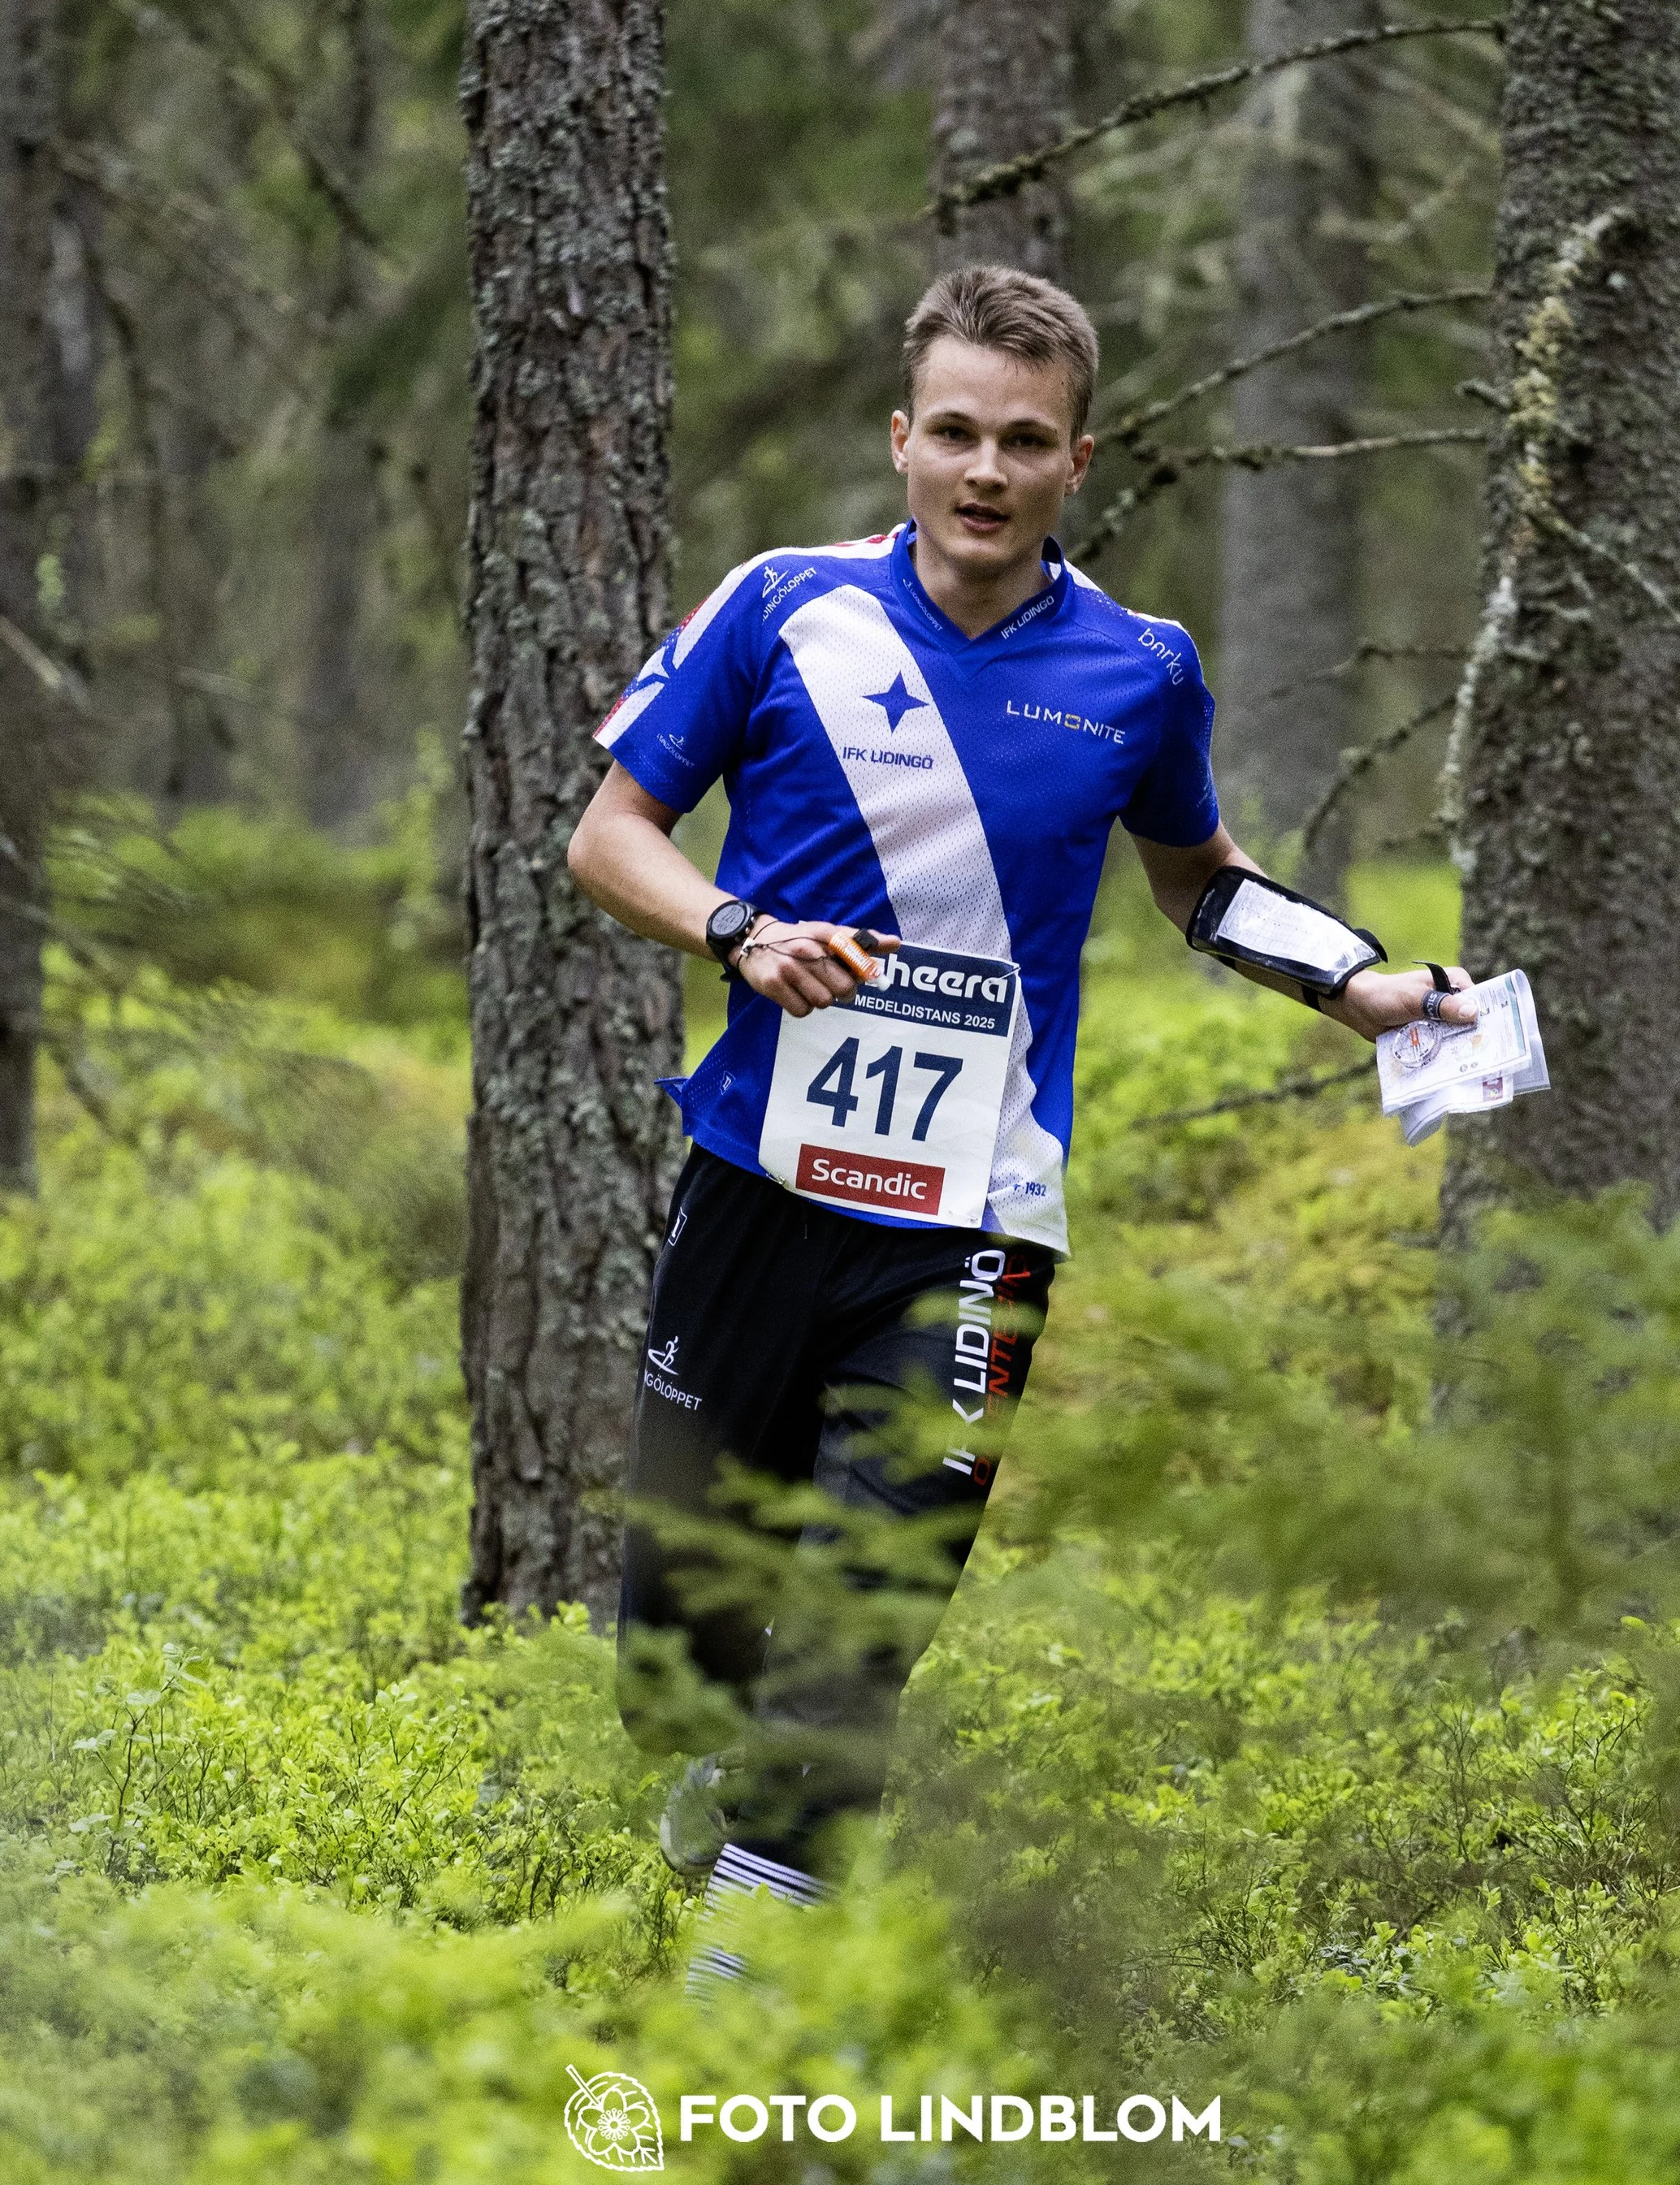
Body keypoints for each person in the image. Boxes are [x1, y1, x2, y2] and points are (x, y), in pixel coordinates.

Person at [568, 264, 1473, 1926]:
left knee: (865, 1612)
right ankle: (719, 1784)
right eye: (959, 434)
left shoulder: (1138, 665)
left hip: (973, 1220)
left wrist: (1357, 981)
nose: (987, 470)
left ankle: (750, 2002)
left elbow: (1197, 876)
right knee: (674, 1649)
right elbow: (606, 832)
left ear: (1077, 460)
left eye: (1026, 441)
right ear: (902, 439)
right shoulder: (781, 606)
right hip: (755, 1187)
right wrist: (736, 927)